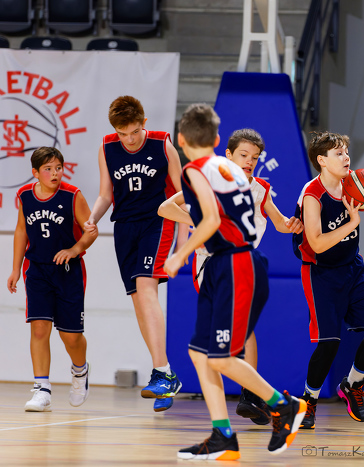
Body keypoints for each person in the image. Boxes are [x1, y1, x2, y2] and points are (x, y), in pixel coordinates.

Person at [163, 103, 306, 460]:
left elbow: (212, 220)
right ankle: (223, 435)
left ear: (181, 140)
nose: (250, 161)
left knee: (222, 357)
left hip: (234, 263)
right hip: (225, 264)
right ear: (217, 142)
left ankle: (284, 405)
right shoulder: (231, 171)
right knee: (200, 353)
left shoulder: (198, 170)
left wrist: (180, 254)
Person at [84, 95, 187, 412]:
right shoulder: (106, 147)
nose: (128, 139)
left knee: (146, 287)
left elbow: (185, 193)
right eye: (122, 133)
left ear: (144, 123)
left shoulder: (162, 144)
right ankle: (165, 373)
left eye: (133, 132)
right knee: (139, 301)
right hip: (124, 227)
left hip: (158, 222)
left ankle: (162, 373)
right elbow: (105, 194)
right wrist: (93, 218)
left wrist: (184, 242)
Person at [292, 131, 364, 429]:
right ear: (322, 160)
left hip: (352, 267)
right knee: (329, 344)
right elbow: (316, 243)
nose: (346, 157)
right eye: (338, 153)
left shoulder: (353, 182)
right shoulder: (312, 194)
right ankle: (308, 402)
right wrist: (352, 223)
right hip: (321, 273)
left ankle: (352, 384)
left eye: (346, 152)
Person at [7, 147, 97, 412]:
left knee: (71, 336)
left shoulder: (72, 195)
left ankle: (80, 371)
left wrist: (75, 249)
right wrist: (15, 269)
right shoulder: (25, 195)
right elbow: (21, 230)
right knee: (38, 328)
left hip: (68, 272)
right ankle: (42, 389)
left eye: (58, 168)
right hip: (37, 270)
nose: (55, 173)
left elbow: (91, 231)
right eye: (48, 169)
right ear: (35, 173)